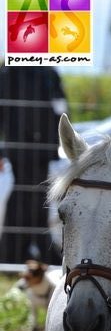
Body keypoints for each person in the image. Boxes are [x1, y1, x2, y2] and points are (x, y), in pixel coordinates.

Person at [0, 65, 67, 263]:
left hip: (42, 151)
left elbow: (61, 108)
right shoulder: (8, 73)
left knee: (39, 197)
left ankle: (33, 253)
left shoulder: (49, 73)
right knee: (22, 198)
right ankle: (12, 256)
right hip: (18, 150)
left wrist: (58, 142)